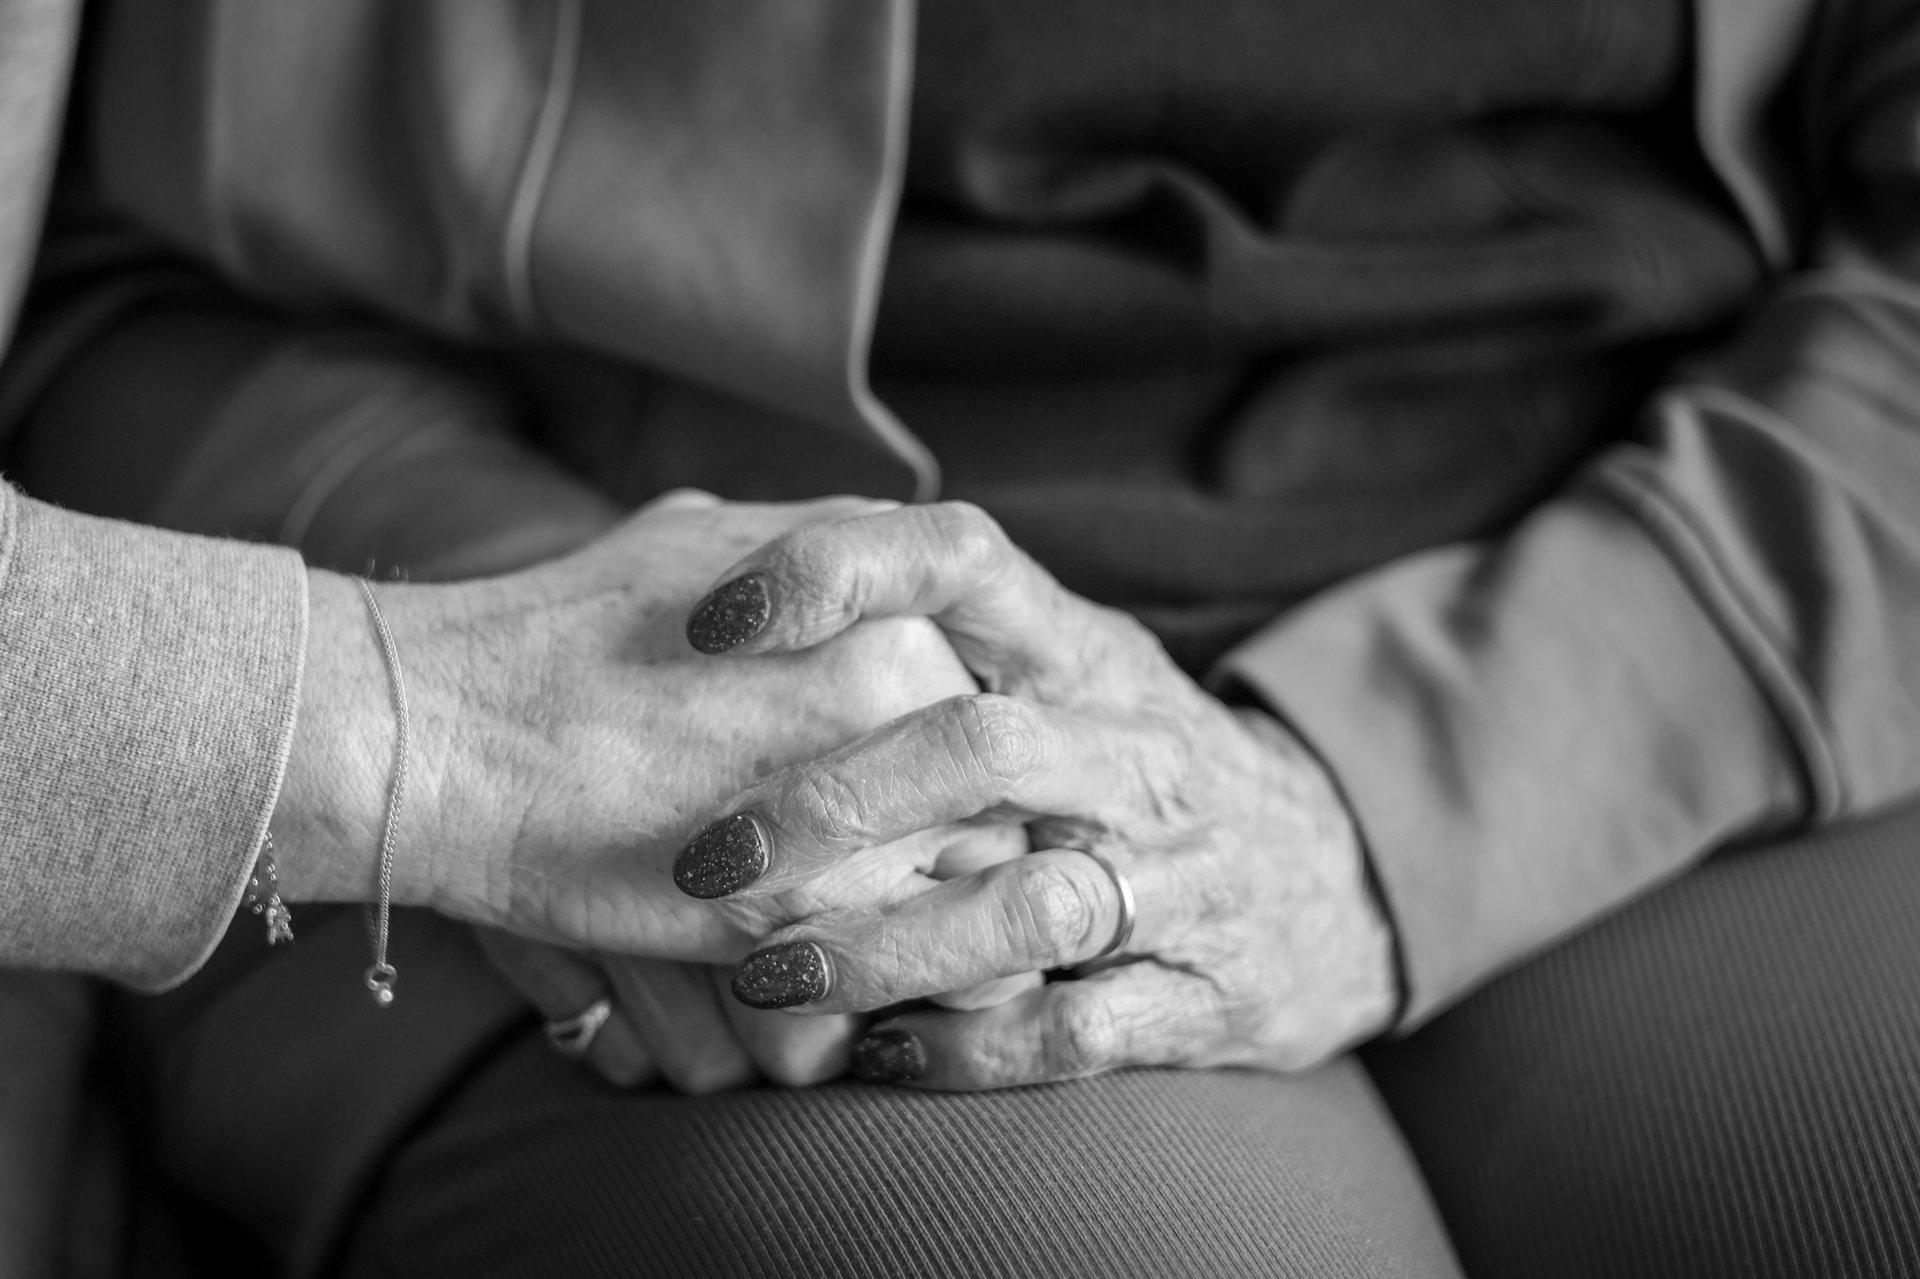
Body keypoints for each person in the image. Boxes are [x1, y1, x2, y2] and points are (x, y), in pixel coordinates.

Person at [10, 0, 1920, 1277]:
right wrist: (493, 685)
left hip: (1667, 600)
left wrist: (1382, 800)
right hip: (558, 601)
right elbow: (100, 258)